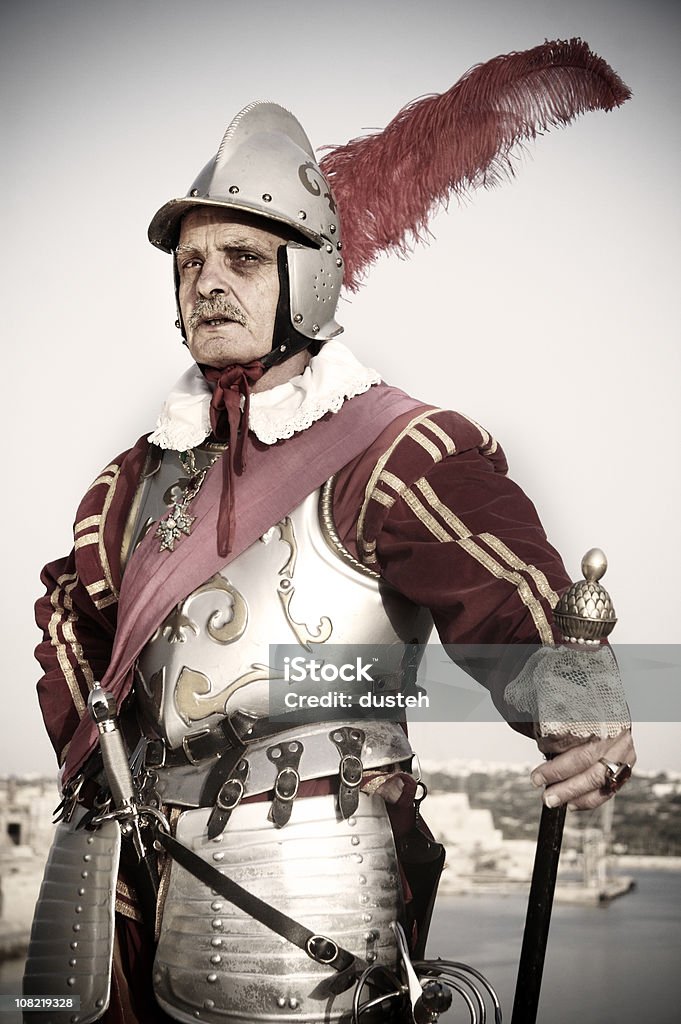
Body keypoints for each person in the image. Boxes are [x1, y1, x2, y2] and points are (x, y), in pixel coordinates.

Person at [26, 40, 636, 1024]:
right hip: (148, 887)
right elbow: (71, 617)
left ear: (306, 279)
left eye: (239, 259)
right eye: (188, 265)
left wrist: (576, 702)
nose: (206, 284)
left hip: (314, 880)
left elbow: (508, 590)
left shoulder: (392, 453)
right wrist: (109, 768)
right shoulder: (131, 481)